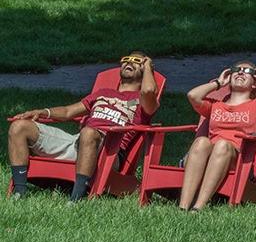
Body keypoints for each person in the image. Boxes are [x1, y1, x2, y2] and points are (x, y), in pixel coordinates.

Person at [8, 52, 159, 201]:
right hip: (80, 142)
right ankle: (19, 192)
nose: (129, 62)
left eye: (137, 61)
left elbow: (148, 90)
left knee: (88, 132)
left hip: (110, 151)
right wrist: (42, 112)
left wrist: (148, 66)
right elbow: (68, 112)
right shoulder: (103, 93)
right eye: (126, 59)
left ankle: (76, 199)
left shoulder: (144, 102)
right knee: (19, 127)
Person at [179, 61, 256, 211]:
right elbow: (193, 95)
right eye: (236, 70)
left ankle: (198, 207)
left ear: (255, 83)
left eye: (248, 72)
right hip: (207, 156)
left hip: (238, 159)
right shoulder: (216, 105)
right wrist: (218, 83)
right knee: (201, 142)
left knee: (222, 145)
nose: (241, 72)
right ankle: (183, 207)